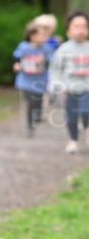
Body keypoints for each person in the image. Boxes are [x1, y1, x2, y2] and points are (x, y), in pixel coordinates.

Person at [48, 11, 89, 154]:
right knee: (71, 117)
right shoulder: (64, 49)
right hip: (70, 89)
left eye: (84, 26)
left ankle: (87, 128)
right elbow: (56, 70)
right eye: (76, 26)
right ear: (68, 31)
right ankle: (73, 141)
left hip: (87, 88)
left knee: (86, 112)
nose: (80, 30)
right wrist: (58, 86)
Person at [12, 20, 53, 137]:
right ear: (32, 36)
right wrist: (17, 64)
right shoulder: (24, 47)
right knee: (29, 103)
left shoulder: (46, 49)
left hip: (40, 81)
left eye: (45, 35)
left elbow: (52, 62)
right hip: (25, 80)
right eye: (40, 35)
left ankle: (37, 115)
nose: (44, 38)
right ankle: (29, 126)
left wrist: (44, 61)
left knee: (37, 101)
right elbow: (16, 56)